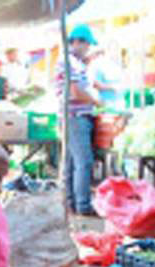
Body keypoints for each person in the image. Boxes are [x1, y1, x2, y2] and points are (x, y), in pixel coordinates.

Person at [57, 25, 101, 216]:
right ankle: (82, 205)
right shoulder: (69, 62)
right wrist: (95, 100)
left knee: (72, 163)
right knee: (84, 162)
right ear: (77, 41)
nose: (87, 48)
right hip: (75, 117)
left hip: (72, 117)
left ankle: (70, 204)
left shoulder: (75, 62)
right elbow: (74, 92)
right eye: (87, 44)